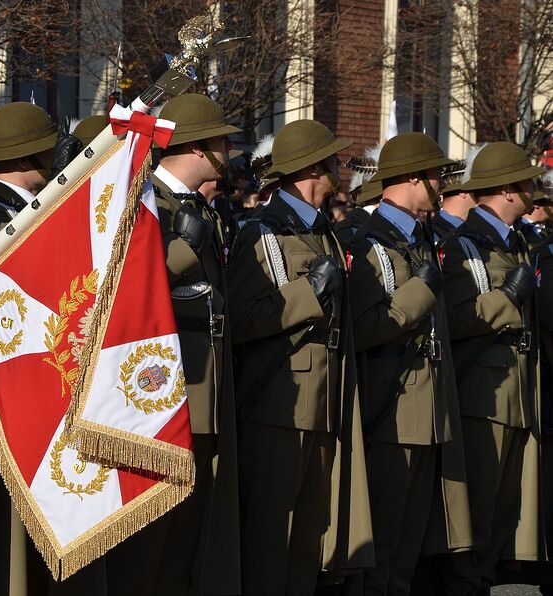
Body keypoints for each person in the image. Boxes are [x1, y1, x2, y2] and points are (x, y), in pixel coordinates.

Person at [104, 93, 241, 596]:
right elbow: (123, 288)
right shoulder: (141, 197)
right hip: (154, 397)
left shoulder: (201, 208)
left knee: (187, 541)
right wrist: (182, 247)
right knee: (148, 546)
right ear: (198, 148)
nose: (229, 149)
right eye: (221, 140)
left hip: (205, 393)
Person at [228, 119, 372, 595]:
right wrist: (308, 292)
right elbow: (243, 319)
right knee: (272, 535)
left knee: (309, 535)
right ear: (313, 169)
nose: (338, 172)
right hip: (278, 405)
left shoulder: (322, 232)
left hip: (324, 401)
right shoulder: (261, 232)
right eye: (331, 163)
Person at [347, 132, 472, 595]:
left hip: (428, 409)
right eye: (436, 175)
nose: (442, 184)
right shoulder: (369, 243)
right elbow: (363, 327)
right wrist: (418, 292)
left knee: (407, 550)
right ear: (415, 178)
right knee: (381, 544)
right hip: (392, 411)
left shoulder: (420, 238)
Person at [442, 141, 546, 591]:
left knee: (503, 516)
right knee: (478, 515)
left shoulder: (517, 241)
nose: (532, 192)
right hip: (482, 396)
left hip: (517, 393)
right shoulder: (464, 244)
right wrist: (506, 299)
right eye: (526, 184)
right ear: (507, 189)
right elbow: (454, 319)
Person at [0, 102, 60, 244]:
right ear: (23, 161)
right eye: (49, 152)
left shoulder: (17, 203)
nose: (55, 158)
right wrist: (61, 187)